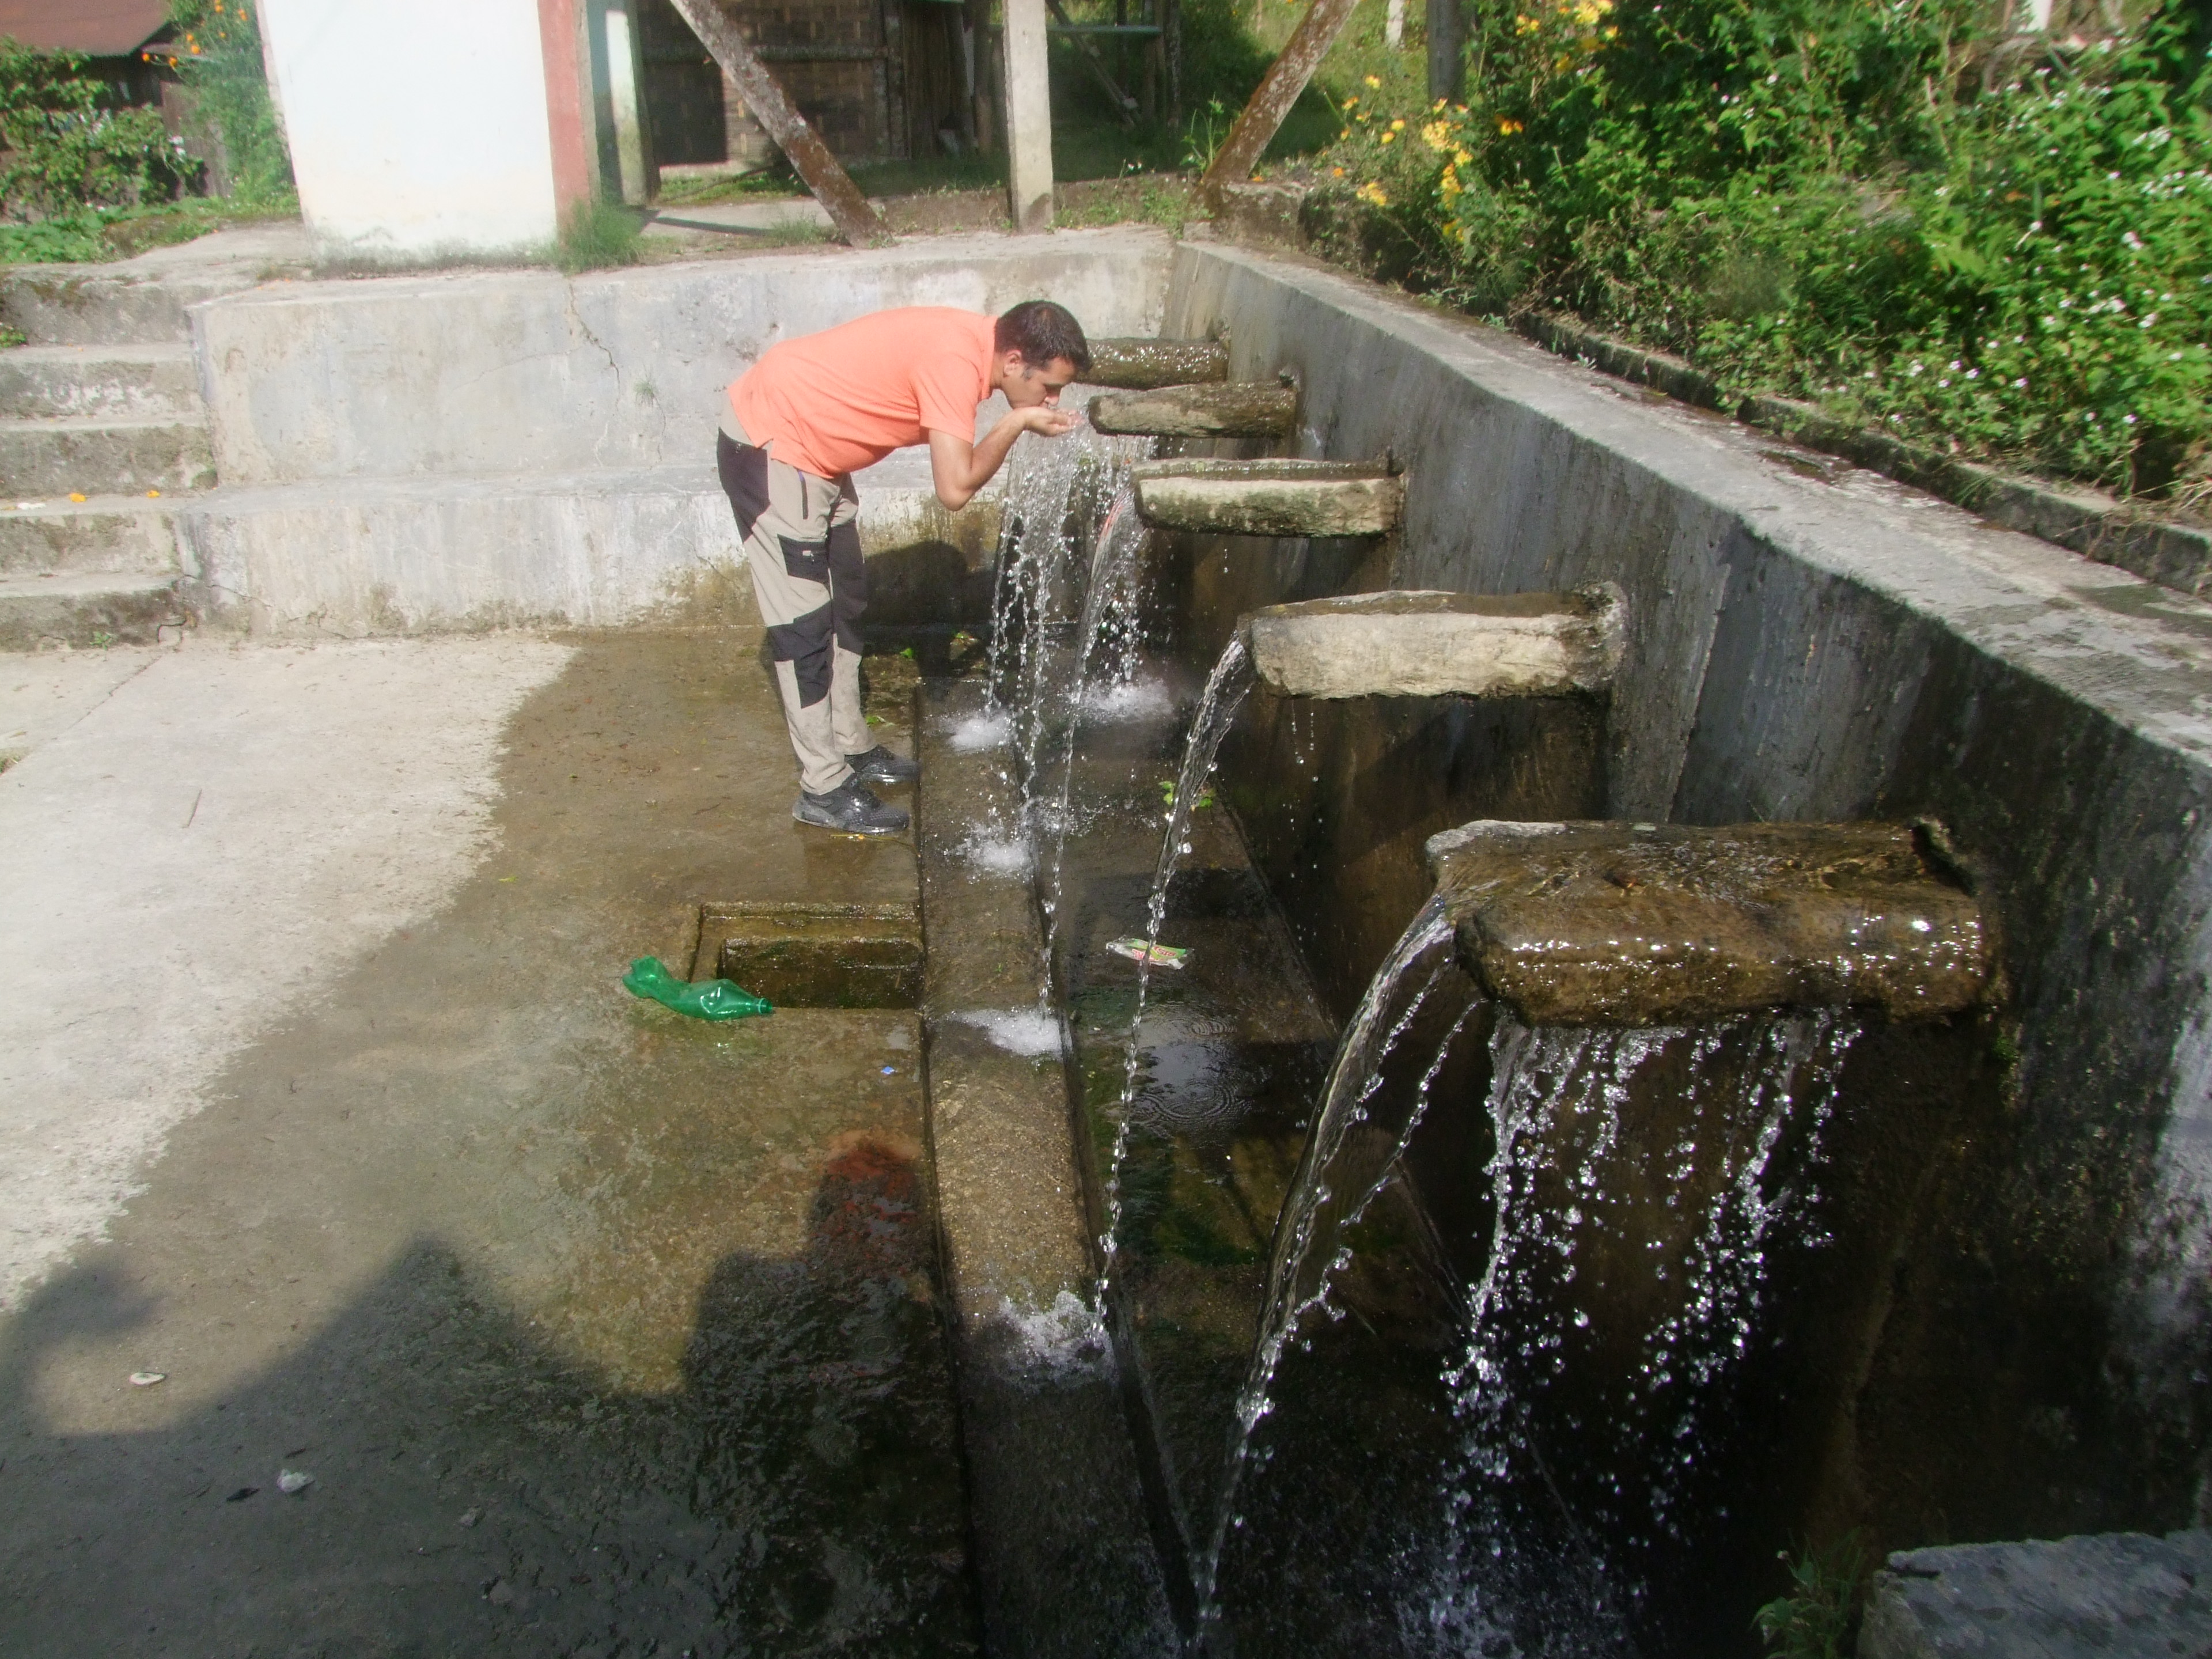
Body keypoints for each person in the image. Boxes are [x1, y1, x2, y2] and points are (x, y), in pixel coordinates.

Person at [718, 300, 1090, 836]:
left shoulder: (977, 343)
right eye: (1049, 388)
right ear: (1013, 362)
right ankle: (822, 787)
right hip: (776, 442)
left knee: (846, 600)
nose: (1052, 401)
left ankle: (852, 747)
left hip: (819, 451)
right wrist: (1015, 422)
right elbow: (955, 490)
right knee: (804, 626)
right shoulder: (954, 366)